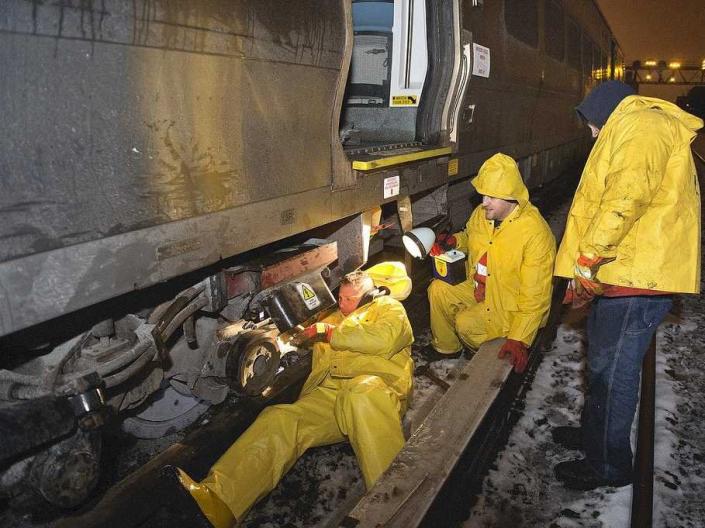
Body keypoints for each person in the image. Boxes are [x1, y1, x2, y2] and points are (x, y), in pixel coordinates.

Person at [163, 270, 414, 527]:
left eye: (349, 299)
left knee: (361, 394)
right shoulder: (334, 317)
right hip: (331, 395)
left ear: (368, 296)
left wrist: (328, 332)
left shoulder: (388, 309)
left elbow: (383, 340)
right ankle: (219, 502)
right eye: (340, 297)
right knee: (280, 418)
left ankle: (402, 505)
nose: (342, 304)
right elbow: (302, 338)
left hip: (377, 389)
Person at [552, 80, 702, 490]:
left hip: (632, 276)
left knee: (612, 374)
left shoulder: (642, 126)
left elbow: (626, 197)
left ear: (605, 111)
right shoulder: (634, 124)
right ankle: (593, 438)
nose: (592, 133)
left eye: (592, 125)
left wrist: (589, 257)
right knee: (602, 365)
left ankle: (609, 465)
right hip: (622, 275)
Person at [427, 153, 556, 373]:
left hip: (508, 305)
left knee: (466, 324)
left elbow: (536, 297)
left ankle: (479, 357)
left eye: (491, 197)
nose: (484, 202)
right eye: (483, 195)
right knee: (438, 289)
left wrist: (519, 339)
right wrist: (453, 242)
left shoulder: (535, 233)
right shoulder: (482, 214)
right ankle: (447, 349)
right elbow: (470, 237)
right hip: (480, 288)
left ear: (511, 197)